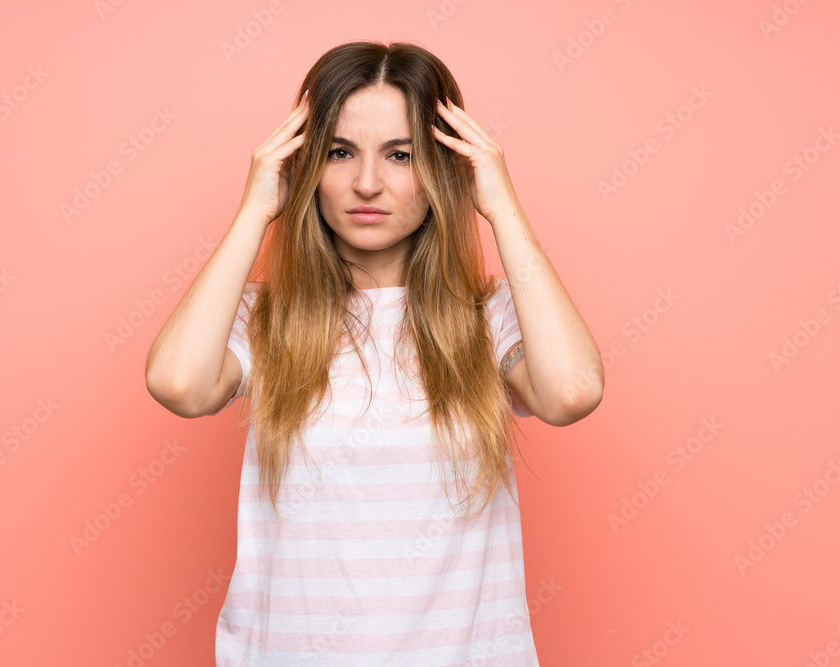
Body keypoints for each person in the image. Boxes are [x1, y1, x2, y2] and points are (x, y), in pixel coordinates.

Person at [145, 40, 603, 666]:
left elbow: (571, 393)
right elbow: (178, 384)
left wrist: (502, 207)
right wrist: (256, 207)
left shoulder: (489, 315)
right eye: (339, 152)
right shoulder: (265, 317)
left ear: (443, 169)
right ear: (306, 167)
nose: (366, 183)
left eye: (400, 155)